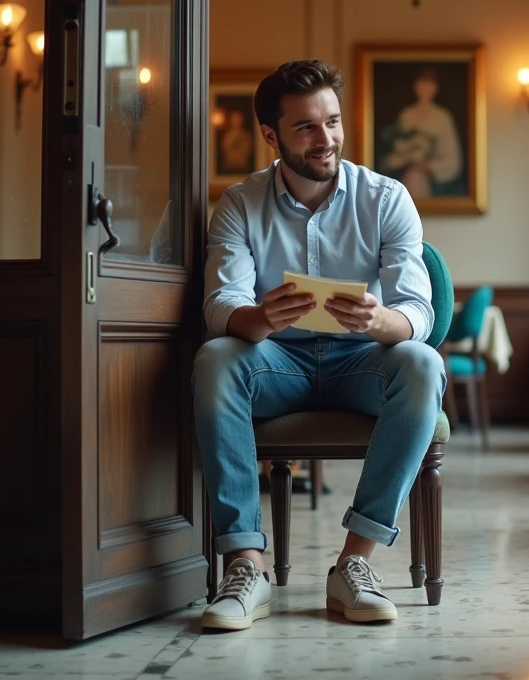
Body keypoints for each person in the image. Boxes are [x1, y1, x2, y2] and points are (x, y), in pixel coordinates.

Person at [193, 59, 445, 631]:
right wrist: (258, 317)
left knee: (423, 365)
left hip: (364, 362)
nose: (325, 138)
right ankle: (245, 567)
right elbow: (218, 308)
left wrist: (381, 321)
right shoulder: (238, 203)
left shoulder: (386, 198)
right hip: (276, 363)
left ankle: (354, 564)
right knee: (214, 360)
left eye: (332, 121)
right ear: (270, 134)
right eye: (306, 126)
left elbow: (419, 312)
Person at [384, 68, 462, 198]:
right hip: (407, 168)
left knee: (417, 178)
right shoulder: (406, 115)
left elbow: (451, 156)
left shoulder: (443, 116)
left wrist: (428, 167)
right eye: (422, 83)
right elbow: (398, 146)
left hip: (429, 172)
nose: (425, 88)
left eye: (430, 84)